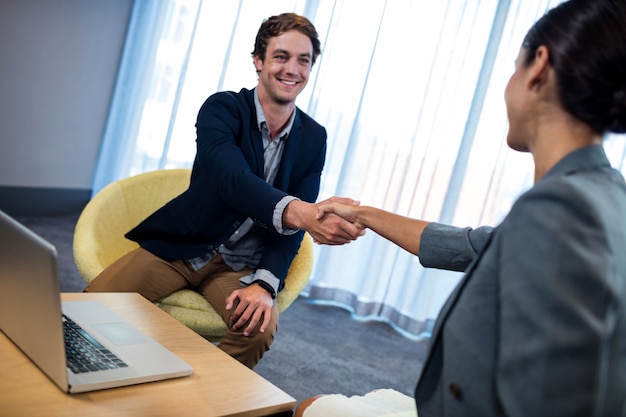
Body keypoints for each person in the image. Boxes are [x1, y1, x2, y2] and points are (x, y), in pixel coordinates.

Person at [298, 0, 626, 415]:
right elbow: (471, 247)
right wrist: (363, 215)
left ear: (539, 67)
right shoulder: (604, 193)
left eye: (514, 66)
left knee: (307, 407)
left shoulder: (561, 210)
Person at [85, 12, 363, 369]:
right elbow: (231, 179)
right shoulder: (222, 108)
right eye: (281, 56)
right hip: (184, 248)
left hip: (240, 267)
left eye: (303, 60)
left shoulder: (314, 137)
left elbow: (291, 231)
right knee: (88, 309)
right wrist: (302, 213)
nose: (292, 69)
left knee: (258, 329)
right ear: (258, 61)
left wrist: (265, 283)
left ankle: (206, 399)